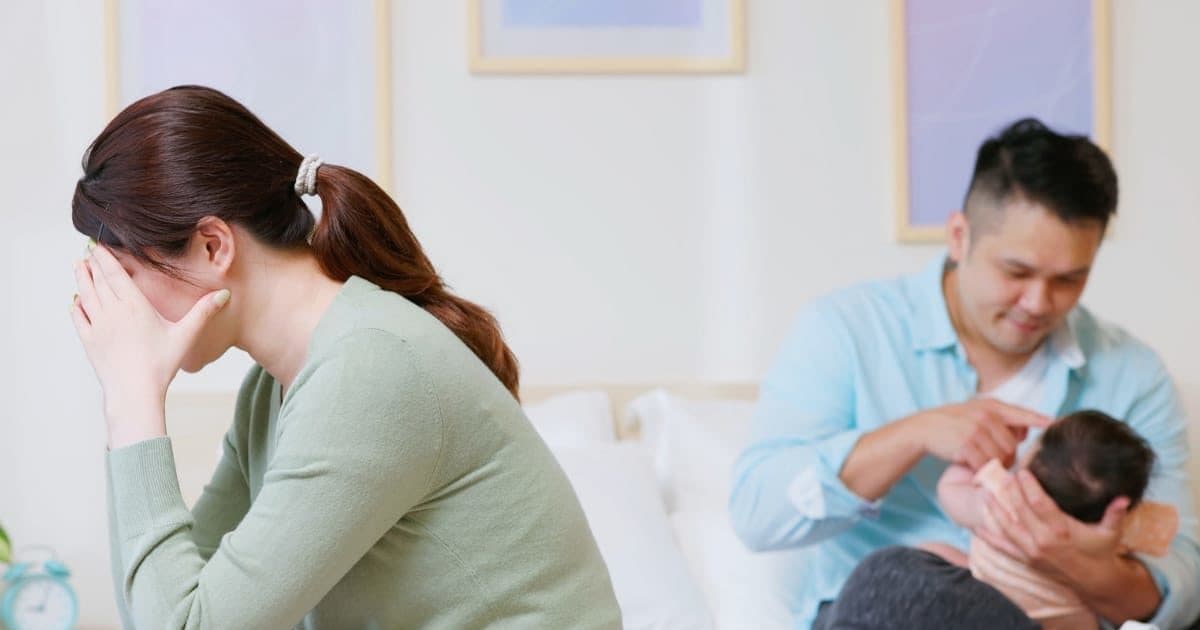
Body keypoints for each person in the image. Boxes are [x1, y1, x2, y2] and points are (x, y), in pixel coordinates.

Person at [70, 85, 621, 629]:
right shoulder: (271, 390)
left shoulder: (369, 369)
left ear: (214, 246)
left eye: (127, 275)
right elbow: (161, 609)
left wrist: (132, 400)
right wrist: (128, 405)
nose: (121, 308)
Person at [729, 118, 1200, 628]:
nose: (1038, 302)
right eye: (1017, 272)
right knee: (902, 578)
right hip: (892, 615)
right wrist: (913, 434)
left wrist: (1077, 564)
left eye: (1069, 279)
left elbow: (1184, 583)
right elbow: (758, 513)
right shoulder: (847, 330)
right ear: (959, 237)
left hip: (1040, 618)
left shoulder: (1132, 375)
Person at [926, 409, 1157, 630]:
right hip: (1062, 624)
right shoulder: (1106, 540)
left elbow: (950, 490)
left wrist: (985, 460)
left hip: (985, 600)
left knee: (934, 551)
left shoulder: (1000, 496)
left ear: (1031, 460)